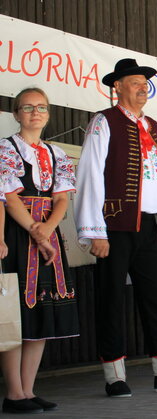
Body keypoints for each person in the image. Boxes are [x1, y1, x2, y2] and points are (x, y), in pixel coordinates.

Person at [74, 58, 157, 396]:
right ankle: (114, 376)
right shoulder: (104, 122)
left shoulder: (151, 125)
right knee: (111, 298)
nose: (142, 86)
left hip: (147, 226)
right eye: (134, 81)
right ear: (117, 87)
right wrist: (94, 230)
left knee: (155, 299)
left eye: (144, 82)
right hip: (114, 225)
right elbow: (89, 173)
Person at [0, 88, 79, 414]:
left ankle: (28, 390)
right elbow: (8, 196)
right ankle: (14, 392)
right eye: (28, 107)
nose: (35, 112)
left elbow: (62, 198)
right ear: (17, 114)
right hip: (17, 235)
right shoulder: (5, 148)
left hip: (47, 232)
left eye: (41, 107)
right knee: (15, 314)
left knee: (41, 312)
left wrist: (47, 230)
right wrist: (36, 231)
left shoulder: (56, 153)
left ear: (48, 114)